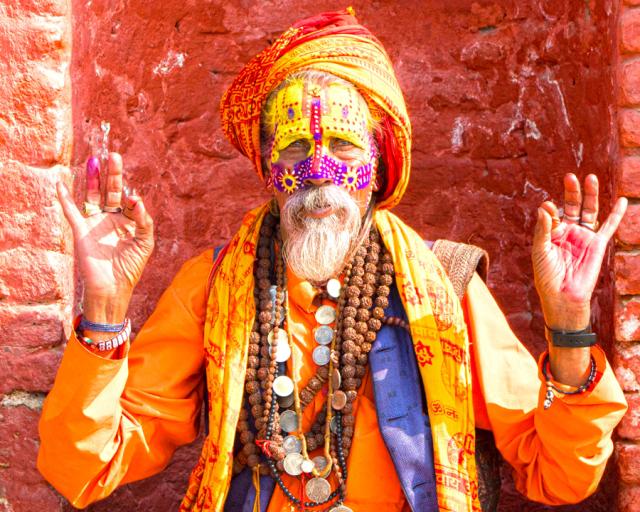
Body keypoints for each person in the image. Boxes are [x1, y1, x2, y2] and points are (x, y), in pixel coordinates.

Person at [38, 9, 628, 512]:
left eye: (342, 145)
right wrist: (105, 308)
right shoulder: (215, 285)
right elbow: (84, 469)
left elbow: (561, 475)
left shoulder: (444, 287)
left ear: (377, 165)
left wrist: (570, 327)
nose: (319, 171)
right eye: (296, 147)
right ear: (270, 169)